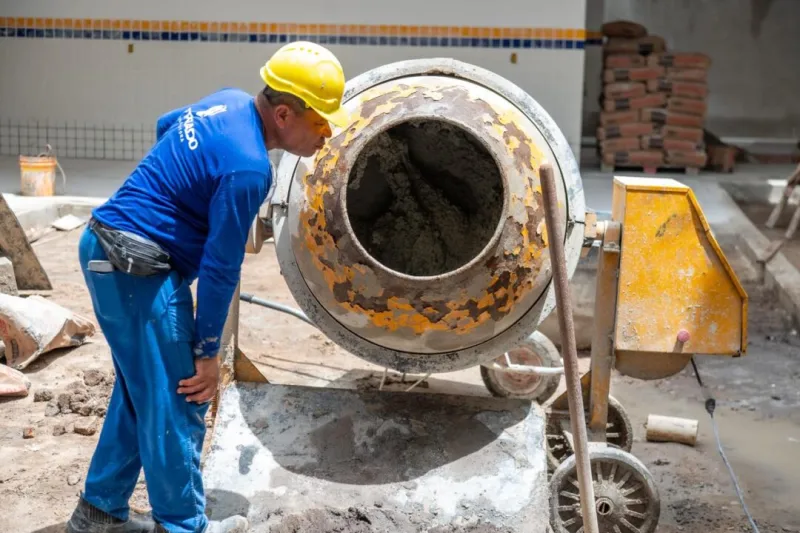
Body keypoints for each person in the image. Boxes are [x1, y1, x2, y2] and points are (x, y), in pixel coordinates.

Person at [66, 42, 349, 533]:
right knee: (182, 396)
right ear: (284, 114)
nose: (326, 135)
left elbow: (166, 124)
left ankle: (98, 513)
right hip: (135, 269)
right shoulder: (249, 170)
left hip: (107, 249)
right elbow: (221, 269)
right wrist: (207, 354)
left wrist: (179, 192)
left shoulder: (228, 100)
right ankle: (182, 527)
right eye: (321, 123)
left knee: (144, 391)